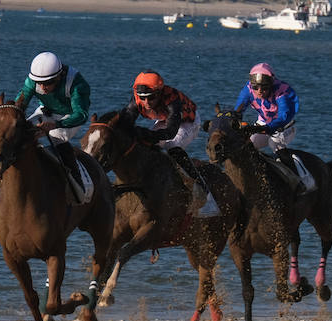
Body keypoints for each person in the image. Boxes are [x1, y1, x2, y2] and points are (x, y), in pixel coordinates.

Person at [124, 71, 216, 215]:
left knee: (171, 146)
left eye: (151, 98)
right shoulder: (136, 100)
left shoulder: (172, 99)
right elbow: (125, 123)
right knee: (143, 147)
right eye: (142, 98)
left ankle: (207, 196)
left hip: (187, 122)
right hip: (164, 120)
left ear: (159, 93)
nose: (146, 103)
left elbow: (171, 133)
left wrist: (145, 134)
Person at [12, 52, 91, 198]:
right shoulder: (32, 82)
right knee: (22, 132)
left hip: (69, 117)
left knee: (55, 137)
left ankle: (76, 182)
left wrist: (57, 124)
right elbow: (19, 106)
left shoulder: (77, 84)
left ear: (59, 76)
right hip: (46, 112)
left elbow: (81, 115)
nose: (42, 88)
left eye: (48, 83)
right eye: (39, 83)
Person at [233, 62, 299, 158]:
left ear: (271, 85)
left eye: (264, 87)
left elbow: (283, 116)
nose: (259, 91)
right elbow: (237, 111)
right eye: (256, 87)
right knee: (246, 145)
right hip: (263, 123)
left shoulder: (282, 91)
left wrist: (268, 128)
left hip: (284, 126)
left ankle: (292, 171)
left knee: (274, 143)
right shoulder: (248, 89)